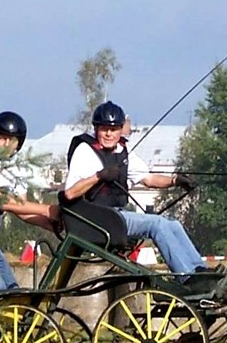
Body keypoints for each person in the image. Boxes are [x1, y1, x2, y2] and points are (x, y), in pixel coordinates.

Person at [62, 100, 207, 278]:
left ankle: (200, 271)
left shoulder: (124, 150)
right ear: (96, 128)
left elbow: (148, 178)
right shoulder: (85, 151)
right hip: (96, 218)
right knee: (156, 224)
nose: (109, 134)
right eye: (104, 129)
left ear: (121, 129)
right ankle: (187, 277)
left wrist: (176, 180)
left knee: (173, 224)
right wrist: (99, 176)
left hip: (118, 215)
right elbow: (69, 193)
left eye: (114, 129)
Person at [0, 111, 60, 292]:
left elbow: (22, 207)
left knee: (13, 289)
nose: (6, 144)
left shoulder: (17, 167)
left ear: (19, 144)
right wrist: (46, 209)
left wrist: (53, 224)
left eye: (12, 140)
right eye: (2, 138)